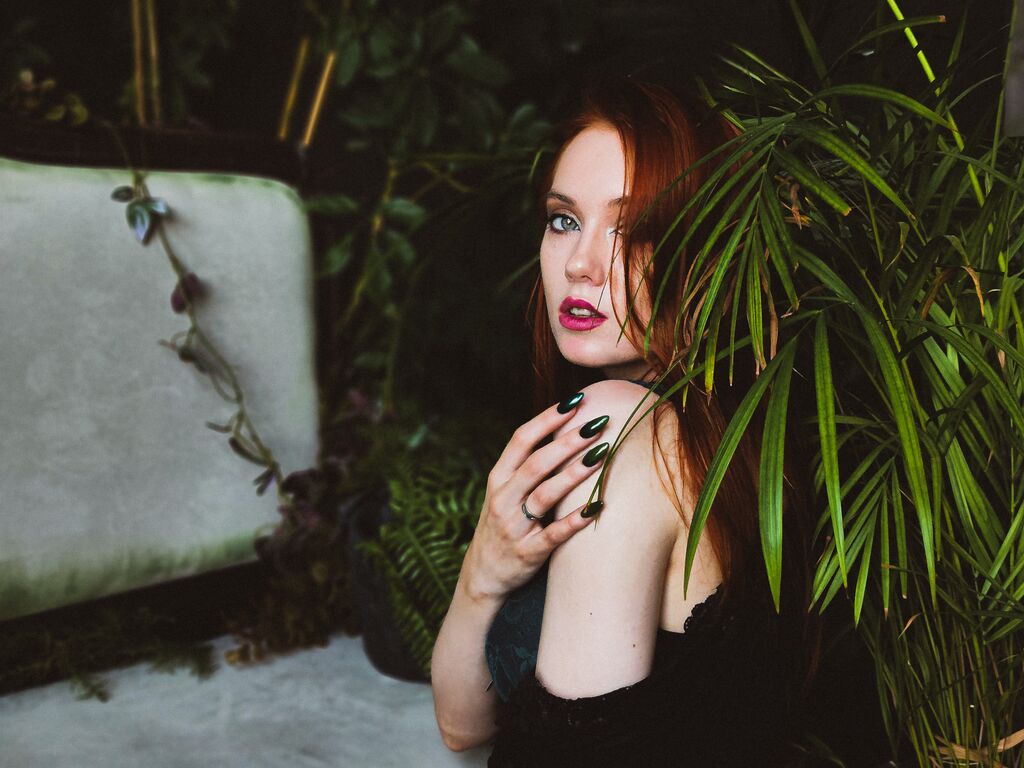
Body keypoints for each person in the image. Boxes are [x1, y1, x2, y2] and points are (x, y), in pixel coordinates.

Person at [430, 75, 816, 767]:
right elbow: (462, 726)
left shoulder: (618, 424)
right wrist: (482, 573)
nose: (581, 265)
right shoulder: (731, 433)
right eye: (564, 220)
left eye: (635, 229)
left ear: (712, 252)